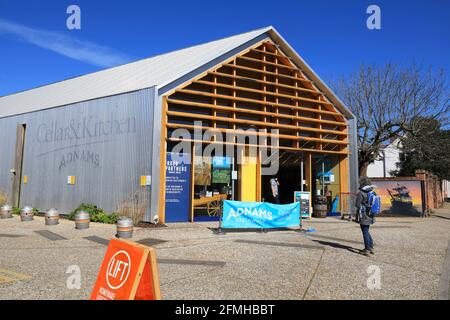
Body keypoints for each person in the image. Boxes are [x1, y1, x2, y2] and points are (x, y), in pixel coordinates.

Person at [355, 176, 376, 256]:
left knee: (365, 231)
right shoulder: (372, 192)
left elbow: (357, 204)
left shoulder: (361, 193)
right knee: (367, 230)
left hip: (363, 215)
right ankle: (370, 247)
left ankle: (367, 249)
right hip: (371, 214)